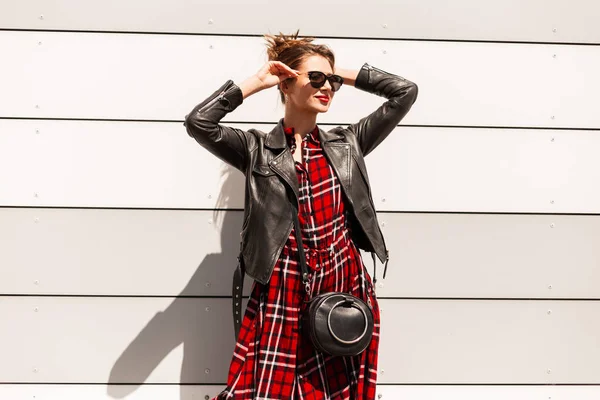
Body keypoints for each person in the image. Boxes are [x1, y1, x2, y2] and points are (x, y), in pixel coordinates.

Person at [184, 31, 418, 400]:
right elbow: (200, 123)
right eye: (317, 79)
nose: (328, 88)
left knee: (339, 390)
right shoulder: (256, 149)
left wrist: (334, 69)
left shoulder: (349, 143)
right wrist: (256, 83)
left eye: (333, 82)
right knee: (265, 388)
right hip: (283, 284)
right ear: (286, 82)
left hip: (343, 280)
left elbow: (405, 92)